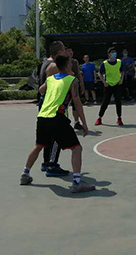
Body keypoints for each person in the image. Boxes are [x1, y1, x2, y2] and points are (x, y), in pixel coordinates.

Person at [20, 55, 95, 193]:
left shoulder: (50, 79)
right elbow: (77, 102)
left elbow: (40, 90)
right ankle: (77, 182)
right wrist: (84, 123)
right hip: (57, 117)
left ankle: (25, 174)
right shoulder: (72, 80)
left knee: (39, 145)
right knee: (76, 148)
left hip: (43, 116)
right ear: (67, 66)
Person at [38, 41, 69, 177]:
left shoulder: (46, 63)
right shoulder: (54, 66)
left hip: (45, 103)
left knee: (47, 136)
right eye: (64, 50)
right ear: (60, 51)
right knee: (57, 135)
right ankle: (52, 165)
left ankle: (46, 163)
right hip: (52, 104)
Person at [95, 47, 124, 126]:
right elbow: (99, 73)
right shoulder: (105, 63)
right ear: (109, 54)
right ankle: (99, 118)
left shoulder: (119, 62)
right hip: (108, 85)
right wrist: (104, 82)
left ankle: (119, 118)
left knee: (118, 101)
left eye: (115, 52)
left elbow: (122, 71)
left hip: (117, 84)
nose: (114, 54)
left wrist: (121, 79)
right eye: (112, 52)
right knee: (105, 102)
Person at [66, 47, 86, 131]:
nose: (71, 52)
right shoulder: (62, 61)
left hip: (74, 85)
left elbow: (78, 73)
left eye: (71, 50)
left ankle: (76, 122)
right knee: (64, 105)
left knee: (76, 104)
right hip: (65, 86)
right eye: (69, 51)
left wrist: (82, 84)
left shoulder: (75, 61)